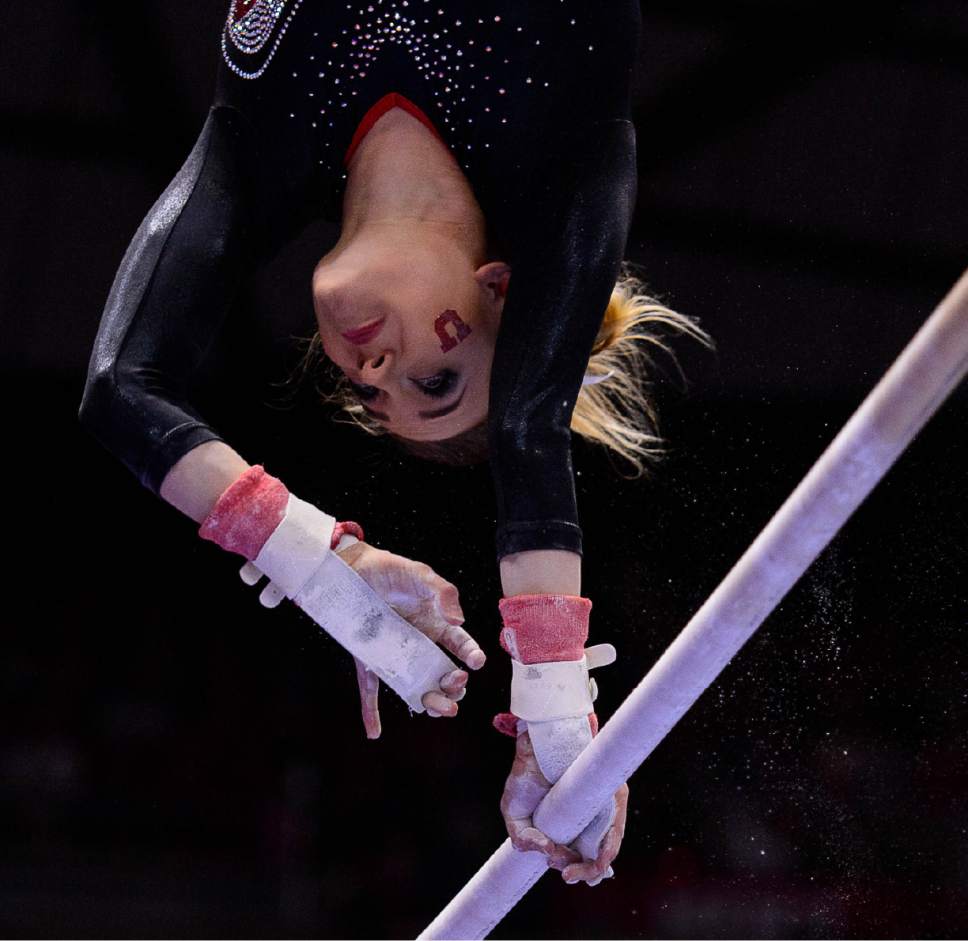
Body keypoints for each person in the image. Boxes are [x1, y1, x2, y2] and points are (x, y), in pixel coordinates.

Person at [79, 0, 711, 888]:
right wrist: (558, 719)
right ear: (500, 289)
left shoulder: (262, 142)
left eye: (369, 395)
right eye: (435, 381)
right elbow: (531, 424)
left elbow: (119, 391)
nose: (370, 368)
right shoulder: (569, 107)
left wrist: (327, 570)